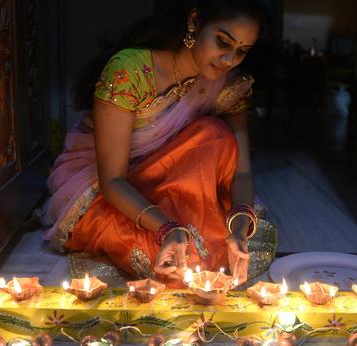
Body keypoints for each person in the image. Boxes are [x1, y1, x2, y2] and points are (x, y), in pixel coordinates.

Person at [44, 0, 273, 288]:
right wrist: (168, 229)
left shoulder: (227, 84)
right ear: (194, 21)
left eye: (241, 51)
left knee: (215, 135)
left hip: (167, 180)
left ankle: (193, 231)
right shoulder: (129, 72)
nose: (228, 60)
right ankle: (175, 231)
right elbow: (113, 181)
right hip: (106, 188)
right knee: (174, 262)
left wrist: (239, 230)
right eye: (222, 41)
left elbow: (240, 172)